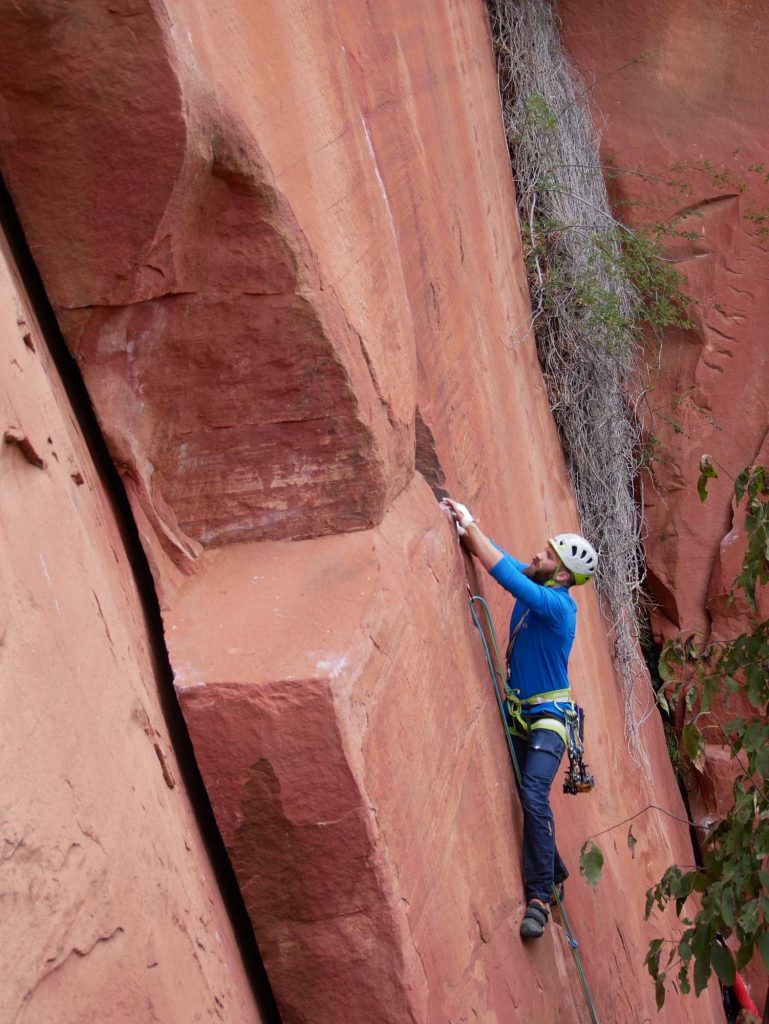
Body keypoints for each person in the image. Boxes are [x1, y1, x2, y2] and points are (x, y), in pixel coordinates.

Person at [442, 496, 598, 940]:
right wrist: (467, 529)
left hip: (551, 715)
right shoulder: (540, 584)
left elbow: (506, 575)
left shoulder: (558, 606)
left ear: (563, 575)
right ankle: (555, 869)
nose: (537, 555)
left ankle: (539, 899)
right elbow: (507, 561)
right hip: (523, 711)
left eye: (548, 556)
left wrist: (471, 526)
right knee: (526, 792)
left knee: (532, 790)